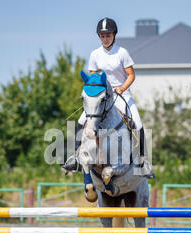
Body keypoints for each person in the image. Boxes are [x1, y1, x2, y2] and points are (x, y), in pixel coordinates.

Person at [62, 17, 154, 178]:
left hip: (122, 94)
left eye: (108, 35)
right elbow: (92, 78)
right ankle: (75, 157)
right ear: (99, 37)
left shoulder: (122, 53)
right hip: (102, 97)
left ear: (114, 35)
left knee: (137, 123)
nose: (105, 39)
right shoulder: (95, 54)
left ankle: (143, 162)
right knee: (81, 120)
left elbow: (131, 75)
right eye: (102, 36)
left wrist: (122, 87)